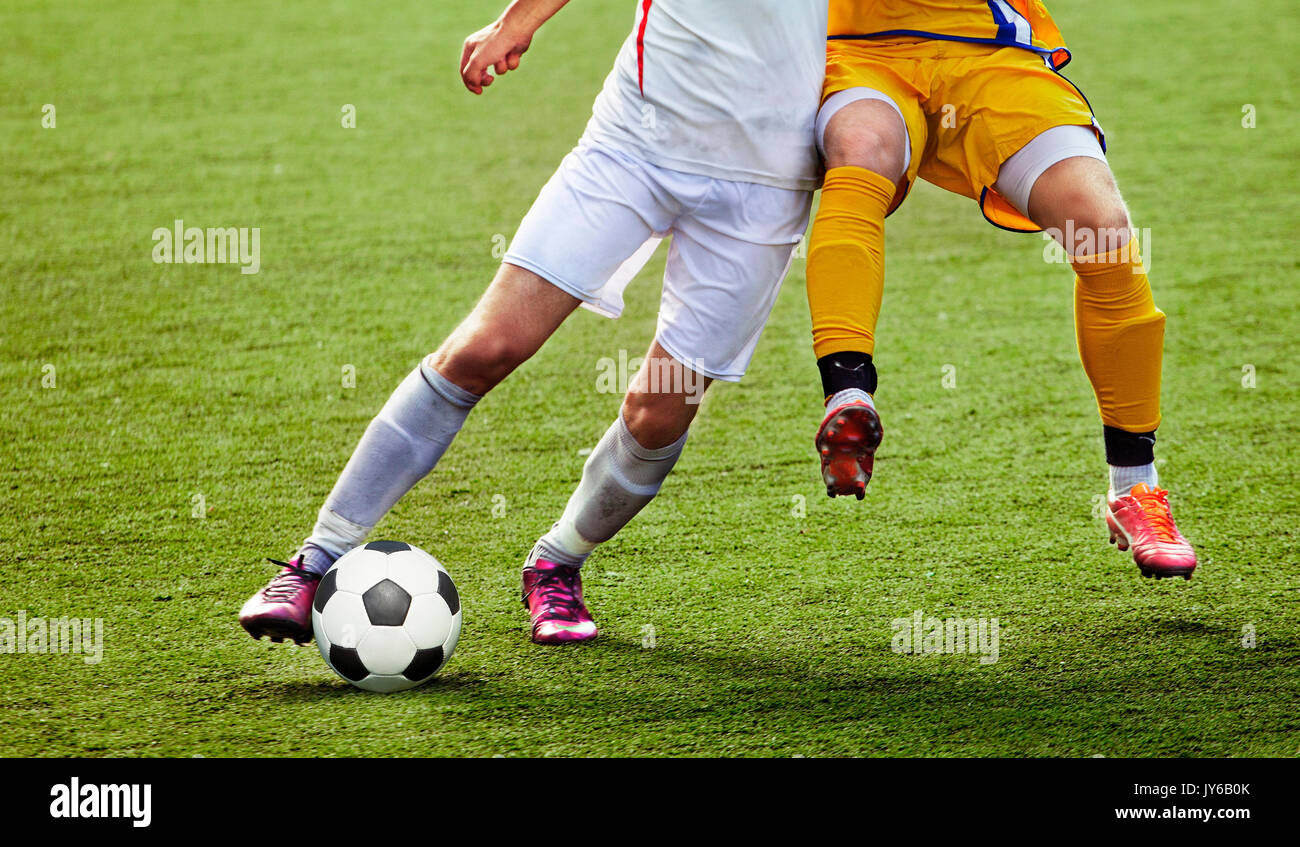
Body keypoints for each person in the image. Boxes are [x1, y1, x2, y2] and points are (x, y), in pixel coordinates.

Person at [240, 0, 831, 645]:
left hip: (767, 184)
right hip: (633, 149)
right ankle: (314, 562)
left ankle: (557, 562)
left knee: (659, 410)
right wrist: (519, 20)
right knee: (484, 348)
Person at [807, 0, 1196, 578]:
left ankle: (1136, 488)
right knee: (864, 150)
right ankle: (847, 395)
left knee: (1100, 226)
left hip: (990, 51)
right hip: (857, 50)